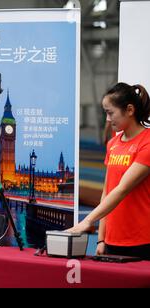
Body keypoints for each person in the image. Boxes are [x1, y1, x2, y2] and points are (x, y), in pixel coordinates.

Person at [68, 82, 150, 260]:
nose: (107, 119)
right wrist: (101, 239)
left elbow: (122, 189)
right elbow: (107, 192)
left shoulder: (147, 143)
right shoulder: (113, 144)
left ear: (129, 110)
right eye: (105, 113)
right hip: (113, 240)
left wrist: (88, 221)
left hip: (141, 241)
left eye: (110, 113)